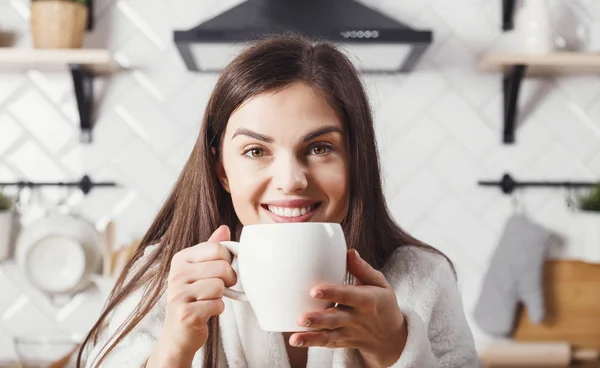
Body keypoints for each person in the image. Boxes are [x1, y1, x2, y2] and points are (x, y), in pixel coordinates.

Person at [78, 34, 478, 368]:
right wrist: (173, 351)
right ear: (222, 172)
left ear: (356, 160)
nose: (291, 181)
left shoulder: (421, 278)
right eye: (255, 151)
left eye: (320, 148)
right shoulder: (162, 277)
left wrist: (395, 349)